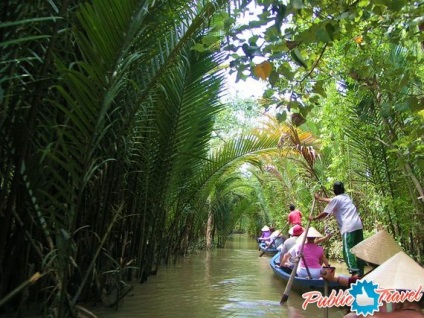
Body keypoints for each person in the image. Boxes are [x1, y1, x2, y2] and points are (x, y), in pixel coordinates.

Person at [311, 181, 365, 276]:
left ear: (335, 191)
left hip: (348, 226)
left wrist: (314, 218)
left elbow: (326, 213)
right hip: (358, 225)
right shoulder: (347, 197)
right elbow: (333, 200)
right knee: (359, 249)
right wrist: (320, 199)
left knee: (347, 250)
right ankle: (360, 272)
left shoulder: (337, 199)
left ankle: (354, 272)